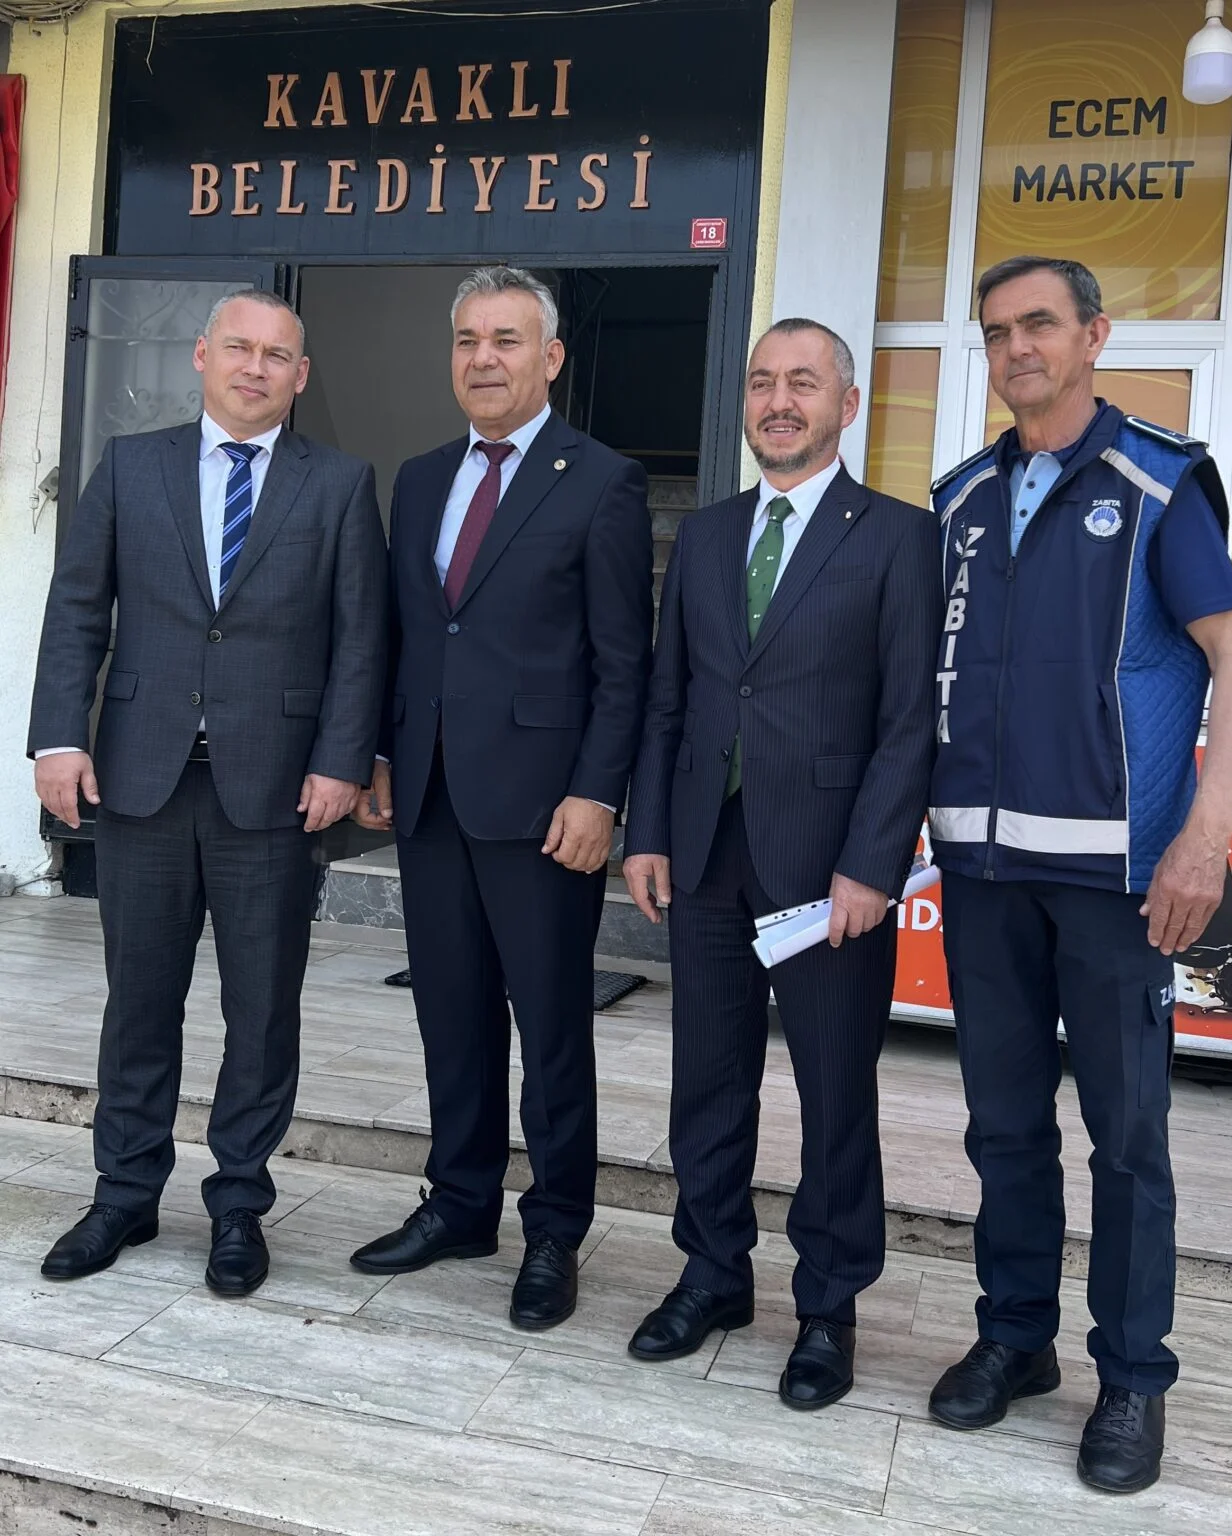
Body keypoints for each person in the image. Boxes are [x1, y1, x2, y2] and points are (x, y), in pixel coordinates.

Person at [926, 255, 1232, 1493]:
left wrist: (1202, 838)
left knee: (1125, 1140)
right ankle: (1013, 1338)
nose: (1016, 347)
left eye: (1039, 324)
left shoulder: (1158, 482)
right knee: (1002, 1125)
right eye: (995, 331)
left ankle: (1130, 1377)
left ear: (1091, 336)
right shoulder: (960, 498)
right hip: (982, 873)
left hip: (1117, 881)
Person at [29, 290, 388, 1295]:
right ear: (202, 355)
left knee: (262, 1010)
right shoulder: (130, 465)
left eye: (277, 355)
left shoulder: (340, 484)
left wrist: (341, 759)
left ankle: (238, 1205)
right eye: (239, 347)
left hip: (273, 792)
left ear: (301, 375)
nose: (255, 367)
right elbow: (77, 609)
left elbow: (362, 637)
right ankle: (124, 1194)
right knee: (139, 1001)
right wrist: (58, 738)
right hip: (139, 780)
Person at [622, 318, 943, 1409]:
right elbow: (669, 697)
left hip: (827, 872)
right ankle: (711, 1273)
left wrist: (871, 864)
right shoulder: (708, 535)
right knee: (706, 1082)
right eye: (762, 382)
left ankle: (827, 1308)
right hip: (705, 855)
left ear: (846, 405)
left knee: (833, 1093)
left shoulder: (899, 537)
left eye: (802, 383)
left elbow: (908, 721)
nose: (777, 401)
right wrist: (649, 831)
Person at [350, 267, 653, 1331]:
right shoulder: (422, 477)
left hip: (542, 810)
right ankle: (461, 1202)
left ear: (550, 357)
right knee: (451, 1013)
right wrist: (383, 754)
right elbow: (406, 635)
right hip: (431, 796)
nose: (483, 358)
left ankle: (555, 1229)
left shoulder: (602, 481)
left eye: (507, 340)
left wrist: (597, 793)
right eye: (468, 340)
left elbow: (624, 663)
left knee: (552, 1026)